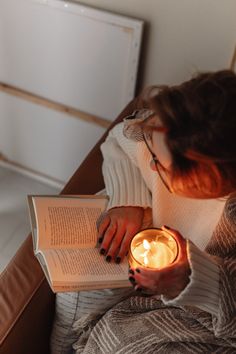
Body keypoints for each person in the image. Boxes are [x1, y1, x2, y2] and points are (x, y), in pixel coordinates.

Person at [53, 70, 236, 353]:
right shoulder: (167, 128)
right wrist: (128, 201)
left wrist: (191, 281)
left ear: (204, 183)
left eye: (160, 165)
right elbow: (120, 138)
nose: (151, 166)